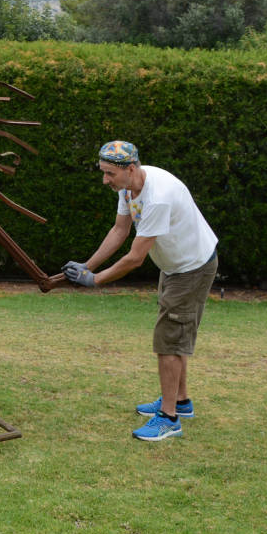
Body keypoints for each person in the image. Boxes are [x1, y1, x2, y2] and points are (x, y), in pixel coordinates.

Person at [63, 141, 218, 442]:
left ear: (129, 168)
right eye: (103, 172)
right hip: (174, 267)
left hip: (191, 268)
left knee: (168, 342)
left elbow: (134, 258)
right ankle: (181, 403)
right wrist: (87, 266)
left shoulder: (157, 197)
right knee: (175, 336)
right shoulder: (128, 188)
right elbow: (120, 230)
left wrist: (94, 281)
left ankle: (170, 418)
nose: (105, 179)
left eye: (109, 173)